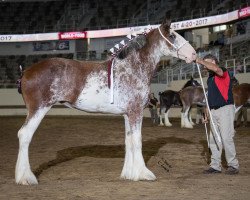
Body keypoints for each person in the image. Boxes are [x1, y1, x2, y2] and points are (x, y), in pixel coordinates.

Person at [196, 54, 239, 175]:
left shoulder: (222, 71)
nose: (204, 65)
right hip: (213, 110)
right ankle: (215, 166)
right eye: (203, 63)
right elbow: (210, 97)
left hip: (225, 109)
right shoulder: (210, 79)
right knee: (214, 139)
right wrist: (206, 112)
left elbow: (216, 69)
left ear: (214, 61)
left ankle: (233, 165)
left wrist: (199, 60)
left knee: (226, 138)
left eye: (206, 62)